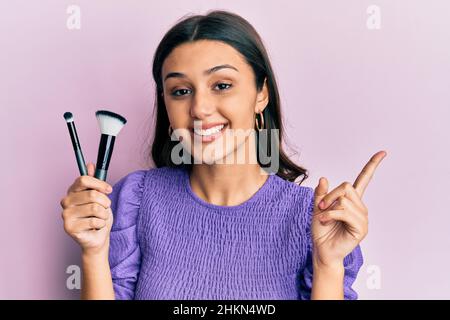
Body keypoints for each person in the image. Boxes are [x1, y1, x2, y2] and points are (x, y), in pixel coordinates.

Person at [60, 10, 386, 300]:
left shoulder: (312, 218)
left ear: (261, 94)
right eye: (181, 91)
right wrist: (93, 252)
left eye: (222, 85)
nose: (200, 108)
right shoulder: (135, 201)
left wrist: (327, 264)